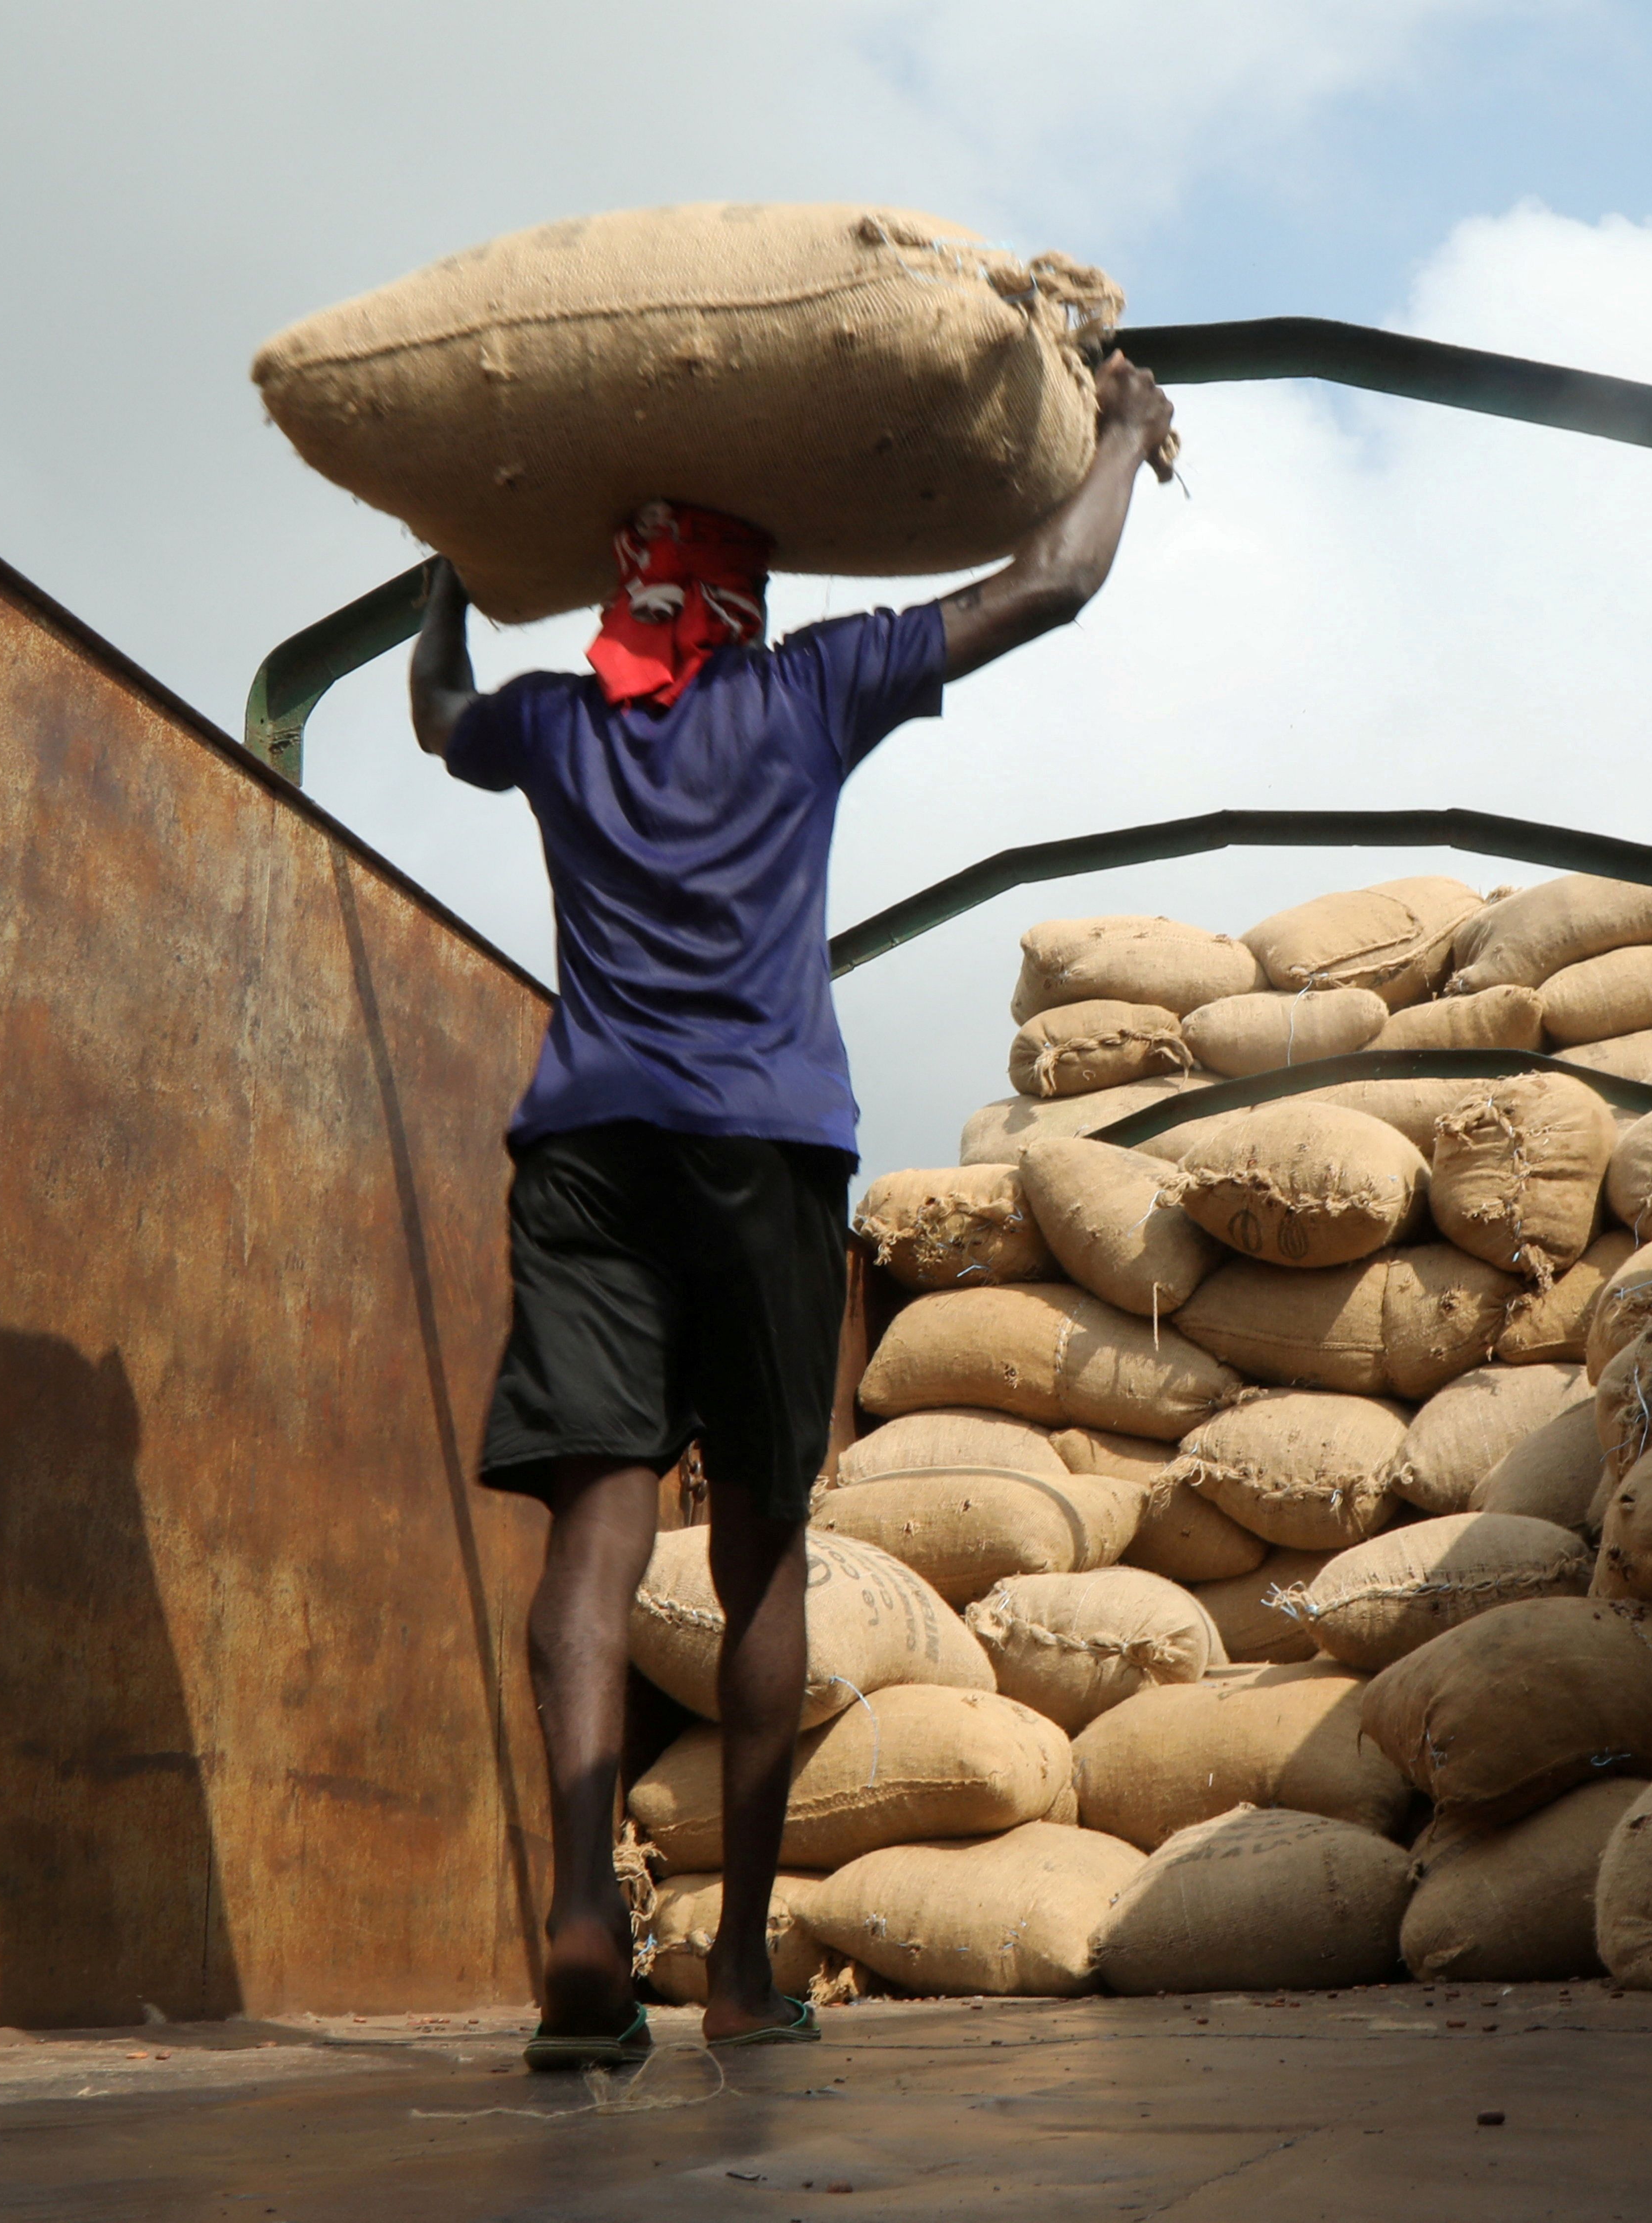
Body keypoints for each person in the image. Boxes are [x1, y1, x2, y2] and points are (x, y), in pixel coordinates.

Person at [408, 354, 1178, 2067]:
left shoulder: (552, 722)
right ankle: (741, 1975)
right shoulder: (812, 692)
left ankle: (582, 1913)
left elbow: (432, 712)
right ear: (749, 607)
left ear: (621, 598)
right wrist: (1125, 433)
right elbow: (1050, 583)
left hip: (589, 1149)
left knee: (597, 1537)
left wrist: (448, 574)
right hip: (767, 1150)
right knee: (759, 1550)